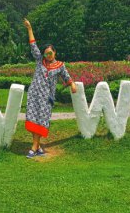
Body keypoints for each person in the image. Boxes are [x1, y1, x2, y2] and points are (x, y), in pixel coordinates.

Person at [23, 18, 76, 159]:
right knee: (32, 118)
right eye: (46, 53)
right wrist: (29, 29)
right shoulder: (40, 60)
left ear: (54, 53)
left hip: (47, 98)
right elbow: (33, 45)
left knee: (42, 120)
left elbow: (66, 77)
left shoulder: (60, 65)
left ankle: (34, 146)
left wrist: (73, 84)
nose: (48, 56)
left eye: (50, 53)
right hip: (34, 94)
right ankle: (37, 146)